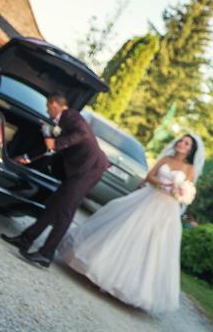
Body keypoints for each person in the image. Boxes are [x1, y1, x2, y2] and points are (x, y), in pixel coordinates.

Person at [57, 133, 205, 315]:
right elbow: (150, 176)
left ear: (191, 150)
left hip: (166, 210)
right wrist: (162, 184)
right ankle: (100, 273)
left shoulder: (189, 169)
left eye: (187, 143)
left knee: (150, 245)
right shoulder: (166, 159)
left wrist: (178, 192)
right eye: (181, 141)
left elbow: (187, 191)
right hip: (148, 198)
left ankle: (131, 288)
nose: (182, 144)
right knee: (123, 232)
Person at [0, 93, 110, 268]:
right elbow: (50, 148)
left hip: (88, 170)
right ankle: (26, 239)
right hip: (79, 170)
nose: (47, 111)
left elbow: (81, 134)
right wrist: (27, 157)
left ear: (54, 104)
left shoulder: (70, 116)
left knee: (65, 212)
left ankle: (46, 254)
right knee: (53, 205)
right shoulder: (63, 121)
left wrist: (58, 143)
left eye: (47, 107)